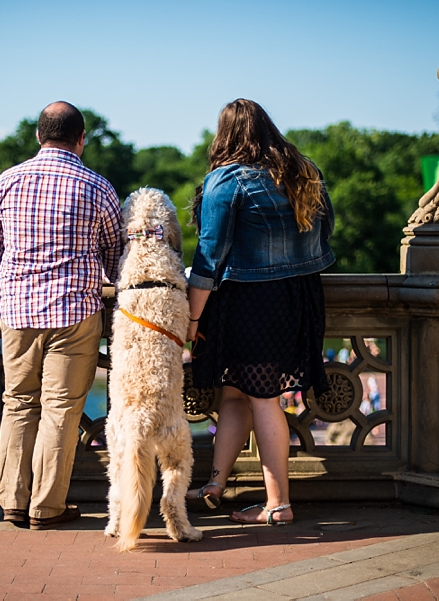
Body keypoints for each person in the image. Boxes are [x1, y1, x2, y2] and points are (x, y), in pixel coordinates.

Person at [0, 101, 123, 530]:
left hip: (18, 313)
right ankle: (45, 506)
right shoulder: (98, 186)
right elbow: (116, 261)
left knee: (18, 404)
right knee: (61, 409)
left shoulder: (7, 181)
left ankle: (11, 503)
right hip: (76, 312)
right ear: (81, 139)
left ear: (39, 136)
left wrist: (14, 286)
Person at [184, 99, 335, 525]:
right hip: (299, 296)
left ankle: (278, 506)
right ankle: (216, 483)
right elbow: (328, 232)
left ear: (224, 134)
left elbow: (208, 258)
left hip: (249, 302)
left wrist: (192, 321)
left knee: (264, 400)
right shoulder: (305, 172)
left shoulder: (225, 181)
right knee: (236, 393)